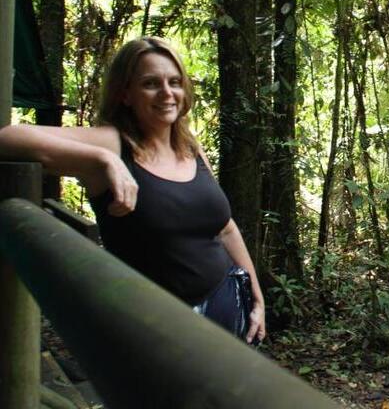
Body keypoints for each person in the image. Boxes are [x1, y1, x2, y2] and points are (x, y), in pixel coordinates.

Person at [0, 37, 265, 345]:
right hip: (158, 327)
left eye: (174, 82)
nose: (167, 93)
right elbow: (8, 138)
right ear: (125, 94)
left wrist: (257, 297)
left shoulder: (190, 147)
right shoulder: (112, 143)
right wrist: (104, 159)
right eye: (151, 83)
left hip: (231, 305)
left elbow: (226, 228)